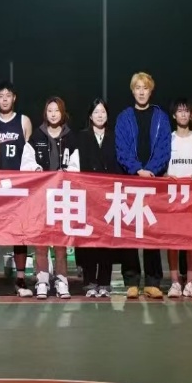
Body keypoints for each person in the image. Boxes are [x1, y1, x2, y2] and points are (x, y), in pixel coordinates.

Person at [113, 72, 172, 298]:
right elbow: (121, 149)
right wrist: (137, 169)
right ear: (132, 91)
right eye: (137, 88)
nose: (141, 92)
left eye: (145, 88)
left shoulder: (161, 117)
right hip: (130, 180)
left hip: (153, 182)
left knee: (152, 231)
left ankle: (153, 281)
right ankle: (131, 281)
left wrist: (151, 171)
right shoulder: (124, 118)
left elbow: (164, 149)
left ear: (151, 91)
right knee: (129, 231)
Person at [20, 97, 81, 300]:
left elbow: (76, 165)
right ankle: (42, 281)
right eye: (50, 110)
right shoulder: (37, 136)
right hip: (41, 197)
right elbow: (26, 163)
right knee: (41, 241)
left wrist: (67, 172)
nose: (53, 114)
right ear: (45, 113)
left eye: (57, 110)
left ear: (62, 113)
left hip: (63, 196)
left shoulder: (71, 137)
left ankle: (62, 280)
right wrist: (37, 169)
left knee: (61, 242)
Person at [0, 80, 34, 294]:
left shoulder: (23, 121)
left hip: (19, 187)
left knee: (20, 233)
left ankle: (21, 279)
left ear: (14, 98)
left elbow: (29, 155)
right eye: (1, 96)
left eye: (8, 95)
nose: (5, 99)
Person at [77, 99, 119, 298]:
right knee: (88, 239)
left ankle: (104, 282)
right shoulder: (82, 137)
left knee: (106, 240)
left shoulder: (114, 137)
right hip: (88, 195)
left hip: (109, 196)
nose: (100, 115)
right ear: (90, 116)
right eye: (96, 112)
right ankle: (89, 281)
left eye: (103, 111)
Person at [164, 99, 192, 297]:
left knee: (191, 242)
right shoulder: (168, 139)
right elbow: (162, 166)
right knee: (173, 242)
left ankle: (190, 283)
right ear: (174, 115)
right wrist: (164, 175)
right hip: (173, 199)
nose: (184, 114)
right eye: (180, 111)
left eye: (186, 111)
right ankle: (175, 283)